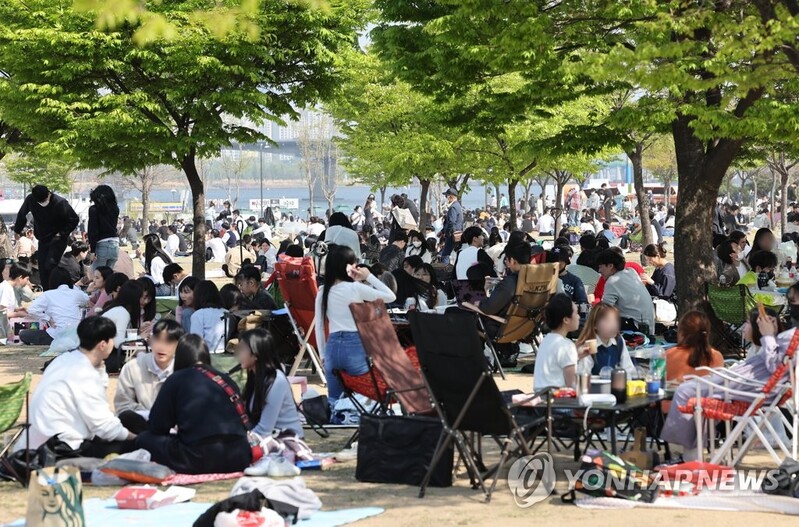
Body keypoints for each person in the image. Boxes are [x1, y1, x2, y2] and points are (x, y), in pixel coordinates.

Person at [661, 311, 784, 460]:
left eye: (747, 323)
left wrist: (768, 335)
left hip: (739, 391)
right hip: (737, 389)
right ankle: (689, 453)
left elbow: (770, 368)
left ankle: (685, 451)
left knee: (687, 392)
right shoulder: (755, 350)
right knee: (691, 393)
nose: (743, 326)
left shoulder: (770, 349)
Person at [136, 334, 252, 474]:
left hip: (199, 456)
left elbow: (157, 427)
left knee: (144, 439)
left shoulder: (176, 379)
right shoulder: (225, 380)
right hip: (240, 456)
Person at [26, 317, 136, 457]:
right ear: (103, 345)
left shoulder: (64, 360)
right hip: (61, 447)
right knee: (136, 444)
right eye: (112, 339)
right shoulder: (85, 373)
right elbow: (105, 427)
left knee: (128, 419)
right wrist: (136, 438)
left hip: (42, 439)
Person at [314, 245, 396, 411]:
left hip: (332, 347)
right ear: (346, 266)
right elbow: (391, 296)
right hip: (355, 346)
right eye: (353, 264)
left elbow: (319, 326)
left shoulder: (323, 291)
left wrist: (322, 355)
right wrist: (369, 276)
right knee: (362, 400)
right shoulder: (355, 288)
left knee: (334, 402)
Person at [115, 319, 184, 433]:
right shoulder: (132, 367)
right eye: (158, 340)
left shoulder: (183, 370)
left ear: (179, 345)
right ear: (150, 340)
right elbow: (123, 405)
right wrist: (152, 415)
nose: (162, 346)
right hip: (141, 429)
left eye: (168, 341)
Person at [235, 328, 304, 439]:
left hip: (286, 443)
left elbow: (264, 430)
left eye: (242, 349)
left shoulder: (277, 381)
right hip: (267, 440)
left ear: (256, 354)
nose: (239, 354)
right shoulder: (254, 378)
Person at [13, 185, 79, 291]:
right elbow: (22, 214)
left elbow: (74, 219)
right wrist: (17, 230)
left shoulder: (60, 202)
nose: (42, 203)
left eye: (44, 200)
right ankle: (47, 291)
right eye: (39, 201)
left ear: (49, 193)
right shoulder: (31, 199)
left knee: (50, 264)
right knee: (43, 267)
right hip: (43, 238)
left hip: (58, 239)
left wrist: (62, 233)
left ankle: (56, 289)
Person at [21, 268, 89, 345]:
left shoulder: (48, 294)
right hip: (75, 335)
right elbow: (86, 300)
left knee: (23, 334)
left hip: (55, 335)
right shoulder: (76, 294)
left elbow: (32, 310)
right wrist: (76, 287)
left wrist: (48, 318)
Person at [533, 293, 587, 389]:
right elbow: (572, 384)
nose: (578, 317)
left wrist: (576, 356)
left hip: (540, 397)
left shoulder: (546, 340)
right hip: (557, 401)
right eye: (576, 313)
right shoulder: (567, 345)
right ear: (566, 319)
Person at [596, 249, 655, 334]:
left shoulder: (613, 281)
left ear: (610, 266)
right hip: (649, 327)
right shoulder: (631, 271)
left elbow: (604, 311)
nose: (599, 271)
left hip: (635, 330)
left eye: (600, 267)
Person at [575, 303, 636, 377]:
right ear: (595, 325)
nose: (613, 325)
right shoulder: (589, 344)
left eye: (615, 321)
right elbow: (583, 374)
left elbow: (629, 370)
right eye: (608, 321)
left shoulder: (619, 341)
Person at [665, 311, 724, 384]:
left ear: (681, 333)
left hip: (676, 394)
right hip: (707, 395)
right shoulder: (716, 356)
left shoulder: (669, 354)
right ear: (707, 333)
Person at [101, 280, 143, 348]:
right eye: (142, 297)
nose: (144, 301)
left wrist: (139, 331)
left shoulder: (118, 309)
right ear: (135, 298)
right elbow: (118, 343)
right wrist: (141, 337)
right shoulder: (122, 313)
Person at [190, 280, 228, 353]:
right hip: (228, 355)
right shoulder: (227, 312)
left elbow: (196, 343)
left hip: (207, 356)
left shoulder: (198, 315)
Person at [88, 184, 120, 270]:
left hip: (102, 245)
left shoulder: (93, 210)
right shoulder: (115, 208)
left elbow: (93, 231)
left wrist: (92, 251)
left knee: (97, 276)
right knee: (108, 278)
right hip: (115, 245)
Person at [439, 188, 463, 264]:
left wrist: (447, 232)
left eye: (447, 196)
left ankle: (444, 270)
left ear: (450, 197)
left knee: (445, 254)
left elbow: (451, 222)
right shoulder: (458, 205)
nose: (446, 198)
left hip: (452, 234)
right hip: (457, 232)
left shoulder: (453, 207)